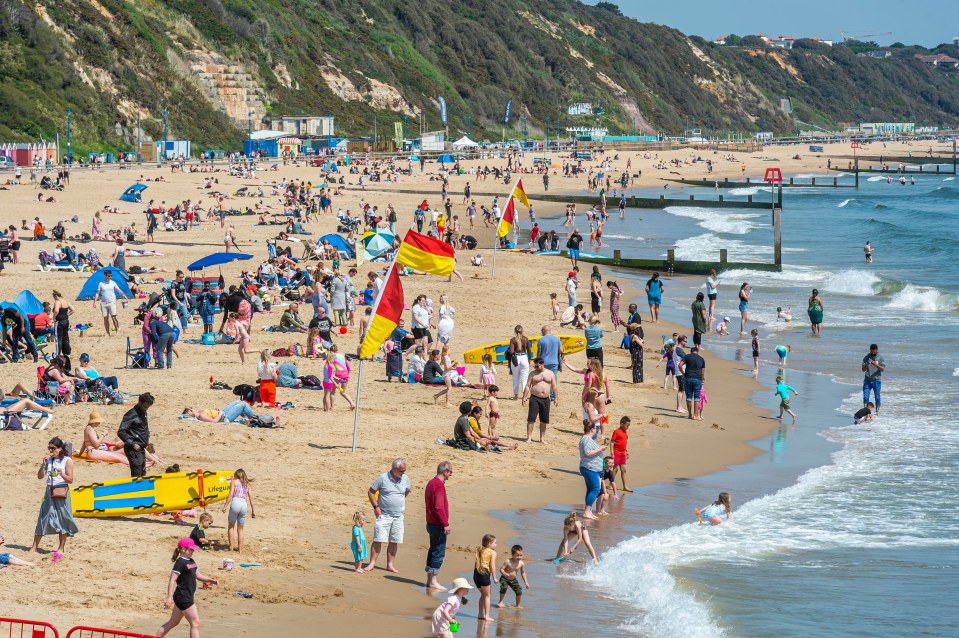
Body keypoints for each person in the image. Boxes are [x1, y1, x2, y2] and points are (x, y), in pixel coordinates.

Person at [156, 538, 219, 638]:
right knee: (195, 623)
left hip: (185, 596)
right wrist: (169, 597)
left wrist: (210, 580)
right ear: (183, 549)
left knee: (173, 622)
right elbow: (172, 580)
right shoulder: (180, 563)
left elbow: (198, 575)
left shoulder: (191, 561)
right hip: (183, 597)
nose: (193, 551)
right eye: (191, 549)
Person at [28, 437, 79, 555]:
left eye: (53, 448)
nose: (51, 450)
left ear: (60, 449)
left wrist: (62, 474)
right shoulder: (49, 460)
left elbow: (70, 480)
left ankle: (61, 548)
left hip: (62, 491)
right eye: (49, 448)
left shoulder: (67, 460)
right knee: (43, 517)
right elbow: (40, 476)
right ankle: (34, 547)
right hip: (49, 491)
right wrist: (43, 465)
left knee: (63, 519)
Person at [365, 458, 411, 573]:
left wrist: (397, 502)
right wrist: (376, 507)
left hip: (398, 516)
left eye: (404, 471)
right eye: (401, 471)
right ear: (394, 469)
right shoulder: (383, 478)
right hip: (384, 514)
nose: (403, 473)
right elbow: (371, 492)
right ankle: (372, 563)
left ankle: (390, 564)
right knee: (378, 539)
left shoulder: (405, 479)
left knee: (394, 540)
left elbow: (407, 491)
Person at [425, 461, 453, 590]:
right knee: (438, 552)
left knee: (433, 550)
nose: (450, 475)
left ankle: (430, 579)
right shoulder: (438, 485)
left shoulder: (431, 483)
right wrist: (446, 524)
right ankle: (433, 580)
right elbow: (439, 507)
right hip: (437, 524)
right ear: (445, 471)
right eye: (450, 472)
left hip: (431, 522)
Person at [118, 393, 155, 477]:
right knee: (137, 475)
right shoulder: (131, 414)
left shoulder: (144, 413)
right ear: (140, 402)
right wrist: (133, 444)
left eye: (148, 407)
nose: (146, 409)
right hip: (133, 449)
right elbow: (121, 431)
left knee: (142, 473)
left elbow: (141, 428)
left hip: (141, 448)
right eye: (145, 406)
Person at [522, 358, 558, 443]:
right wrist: (524, 396)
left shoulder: (550, 373)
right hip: (535, 398)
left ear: (542, 364)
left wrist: (556, 398)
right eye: (535, 366)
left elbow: (554, 386)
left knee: (544, 420)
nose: (536, 368)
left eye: (537, 366)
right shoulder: (533, 374)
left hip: (546, 399)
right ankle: (529, 437)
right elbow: (528, 386)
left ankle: (542, 439)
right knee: (531, 418)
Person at [579, 421, 607, 519]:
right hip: (589, 468)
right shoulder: (586, 439)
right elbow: (588, 453)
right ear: (592, 429)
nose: (596, 430)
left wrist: (600, 448)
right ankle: (587, 511)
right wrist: (600, 449)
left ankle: (588, 511)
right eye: (595, 429)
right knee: (596, 489)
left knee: (591, 489)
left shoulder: (588, 439)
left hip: (591, 468)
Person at [222, 468, 255, 552]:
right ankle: (240, 549)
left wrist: (225, 506)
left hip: (235, 503)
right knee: (240, 529)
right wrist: (253, 511)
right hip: (244, 504)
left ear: (236, 475)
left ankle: (231, 547)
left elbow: (230, 494)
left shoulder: (234, 481)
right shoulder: (247, 484)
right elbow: (251, 498)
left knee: (231, 527)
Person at [92, 269, 127, 336]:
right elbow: (97, 293)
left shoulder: (113, 283)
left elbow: (119, 290)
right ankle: (107, 333)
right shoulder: (101, 283)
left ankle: (117, 330)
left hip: (112, 302)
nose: (110, 277)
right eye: (109, 275)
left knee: (113, 317)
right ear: (105, 275)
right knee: (105, 318)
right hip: (104, 303)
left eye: (111, 275)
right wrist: (94, 302)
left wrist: (124, 296)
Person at [496, 544, 531, 609]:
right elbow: (501, 569)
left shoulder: (521, 563)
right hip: (504, 578)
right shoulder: (508, 561)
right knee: (503, 588)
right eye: (517, 555)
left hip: (513, 580)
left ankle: (518, 605)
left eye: (521, 555)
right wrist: (504, 573)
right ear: (512, 555)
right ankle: (501, 602)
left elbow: (523, 573)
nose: (519, 557)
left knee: (519, 591)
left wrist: (526, 582)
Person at [473, 534, 498, 622]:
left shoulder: (480, 550)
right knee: (487, 596)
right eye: (495, 543)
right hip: (484, 574)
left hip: (476, 574)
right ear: (490, 543)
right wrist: (495, 577)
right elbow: (492, 565)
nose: (496, 545)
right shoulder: (493, 552)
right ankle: (487, 616)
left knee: (483, 595)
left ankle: (480, 614)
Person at [680, 346, 706, 421]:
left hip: (688, 378)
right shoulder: (701, 359)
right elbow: (703, 371)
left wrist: (683, 373)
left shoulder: (687, 357)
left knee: (689, 397)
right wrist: (702, 378)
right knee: (697, 397)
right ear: (697, 352)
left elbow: (680, 365)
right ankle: (696, 415)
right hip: (698, 379)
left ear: (691, 351)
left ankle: (690, 415)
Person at [611, 416, 634, 492]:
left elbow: (624, 443)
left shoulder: (625, 432)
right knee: (615, 469)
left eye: (628, 426)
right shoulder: (616, 431)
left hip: (623, 453)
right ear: (621, 424)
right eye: (627, 425)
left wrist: (626, 451)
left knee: (623, 469)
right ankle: (611, 484)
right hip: (616, 452)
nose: (627, 427)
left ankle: (625, 486)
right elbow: (612, 442)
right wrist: (612, 452)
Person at [507, 325, 530, 399]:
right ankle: (524, 395)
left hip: (516, 358)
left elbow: (511, 352)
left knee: (515, 377)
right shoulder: (525, 339)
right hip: (524, 358)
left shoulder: (513, 340)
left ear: (515, 331)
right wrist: (528, 360)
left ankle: (516, 395)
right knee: (524, 378)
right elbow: (529, 351)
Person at [862, 344, 885, 414]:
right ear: (870, 350)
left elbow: (882, 369)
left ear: (877, 350)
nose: (873, 353)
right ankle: (866, 413)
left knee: (877, 397)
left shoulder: (880, 357)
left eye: (874, 352)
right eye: (871, 352)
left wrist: (876, 364)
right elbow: (863, 370)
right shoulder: (866, 357)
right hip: (867, 380)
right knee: (866, 397)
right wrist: (867, 364)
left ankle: (877, 412)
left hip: (877, 380)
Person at [51, 290, 74, 357]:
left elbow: (56, 310)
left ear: (56, 296)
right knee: (65, 337)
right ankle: (67, 353)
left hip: (59, 322)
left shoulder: (58, 302)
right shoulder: (66, 301)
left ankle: (58, 354)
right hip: (66, 321)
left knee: (58, 338)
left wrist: (54, 317)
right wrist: (67, 315)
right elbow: (73, 310)